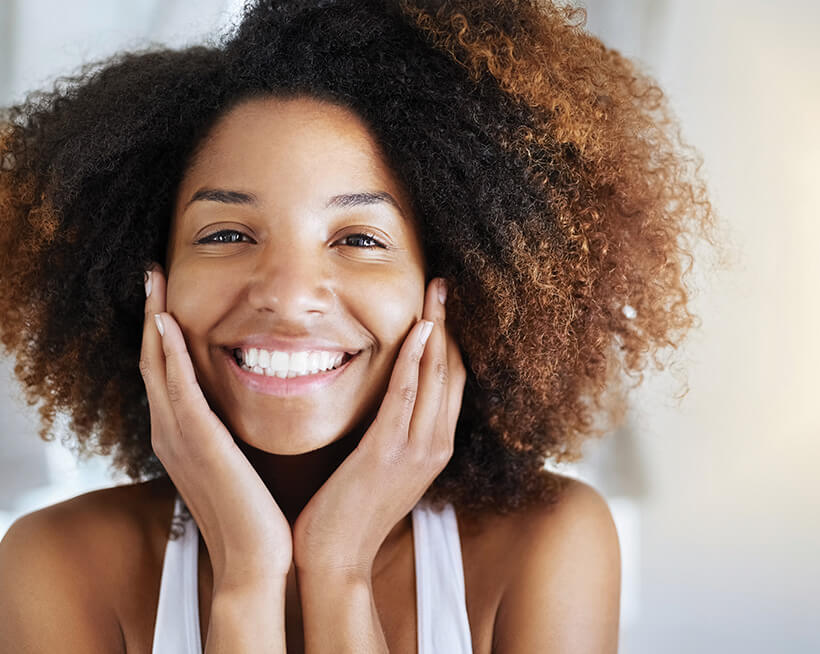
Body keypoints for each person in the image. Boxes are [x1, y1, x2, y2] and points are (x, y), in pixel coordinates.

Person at [0, 1, 714, 652]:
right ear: (145, 277)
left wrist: (338, 571)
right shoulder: (55, 562)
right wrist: (247, 580)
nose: (287, 296)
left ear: (457, 287)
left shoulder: (545, 545)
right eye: (224, 235)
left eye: (359, 239)